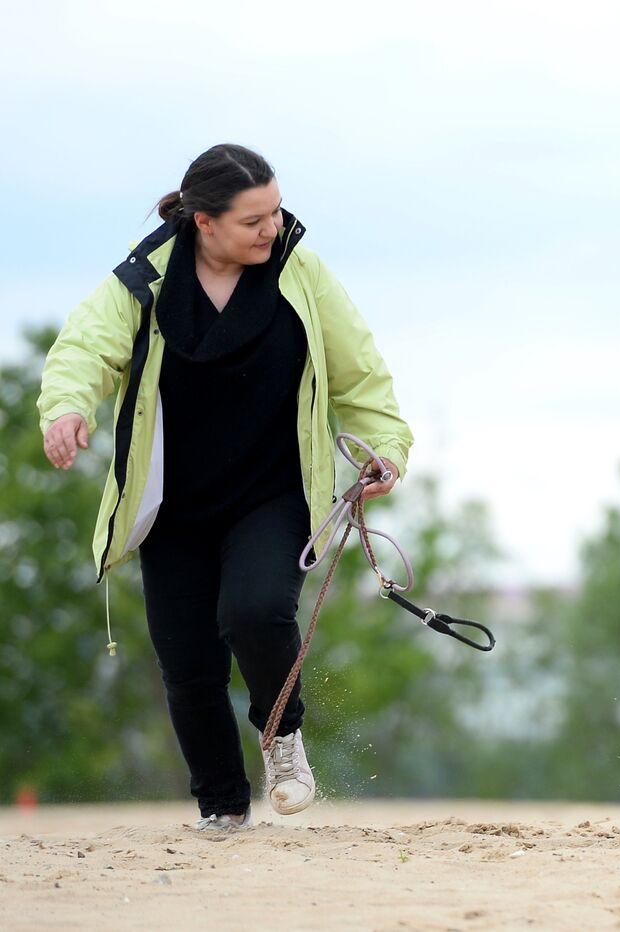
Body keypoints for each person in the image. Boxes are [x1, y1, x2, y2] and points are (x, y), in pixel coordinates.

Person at [37, 143, 414, 830]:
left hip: (271, 492)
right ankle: (222, 808)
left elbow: (359, 372)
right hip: (174, 503)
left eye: (275, 211)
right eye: (253, 220)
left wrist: (386, 448)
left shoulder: (300, 271)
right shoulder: (145, 280)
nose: (272, 228)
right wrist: (66, 406)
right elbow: (83, 349)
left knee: (256, 612)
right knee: (189, 665)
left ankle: (283, 737)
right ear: (202, 221)